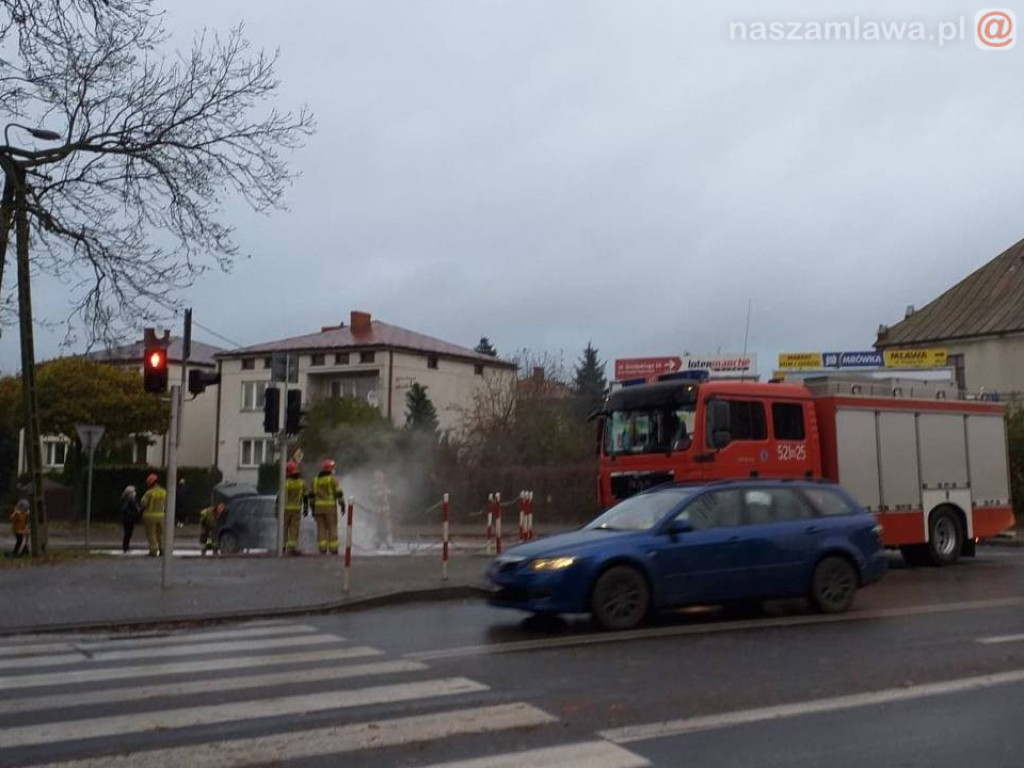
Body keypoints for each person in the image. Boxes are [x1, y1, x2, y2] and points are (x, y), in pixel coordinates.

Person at [312, 459, 344, 555]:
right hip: (330, 508)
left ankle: (322, 549)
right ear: (330, 469)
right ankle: (333, 549)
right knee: (332, 528)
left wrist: (312, 508)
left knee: (321, 529)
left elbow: (312, 495)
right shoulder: (332, 479)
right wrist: (342, 504)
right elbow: (338, 493)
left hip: (318, 509)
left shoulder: (315, 480)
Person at [139, 473, 167, 557]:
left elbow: (143, 503)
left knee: (151, 534)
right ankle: (162, 549)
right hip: (161, 515)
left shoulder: (149, 493)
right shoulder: (164, 491)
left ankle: (154, 550)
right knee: (160, 534)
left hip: (150, 516)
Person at [283, 461, 306, 555]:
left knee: (284, 528)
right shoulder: (301, 483)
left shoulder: (285, 483)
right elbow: (305, 496)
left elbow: (280, 496)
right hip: (296, 509)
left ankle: (282, 546)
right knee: (294, 529)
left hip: (285, 509)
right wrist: (306, 507)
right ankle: (291, 548)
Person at [371, 470, 393, 550]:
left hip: (385, 511)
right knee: (377, 528)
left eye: (381, 478)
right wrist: (383, 492)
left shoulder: (385, 486)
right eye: (378, 478)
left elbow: (389, 493)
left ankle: (389, 543)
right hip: (377, 512)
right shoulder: (374, 487)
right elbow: (375, 497)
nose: (380, 479)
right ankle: (377, 543)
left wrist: (385, 491)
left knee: (387, 528)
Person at [118, 486, 140, 553]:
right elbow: (125, 509)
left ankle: (126, 546)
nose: (134, 493)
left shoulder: (130, 499)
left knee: (128, 533)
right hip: (128, 519)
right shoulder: (127, 499)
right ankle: (125, 547)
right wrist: (133, 513)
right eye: (133, 491)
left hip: (129, 518)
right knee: (128, 533)